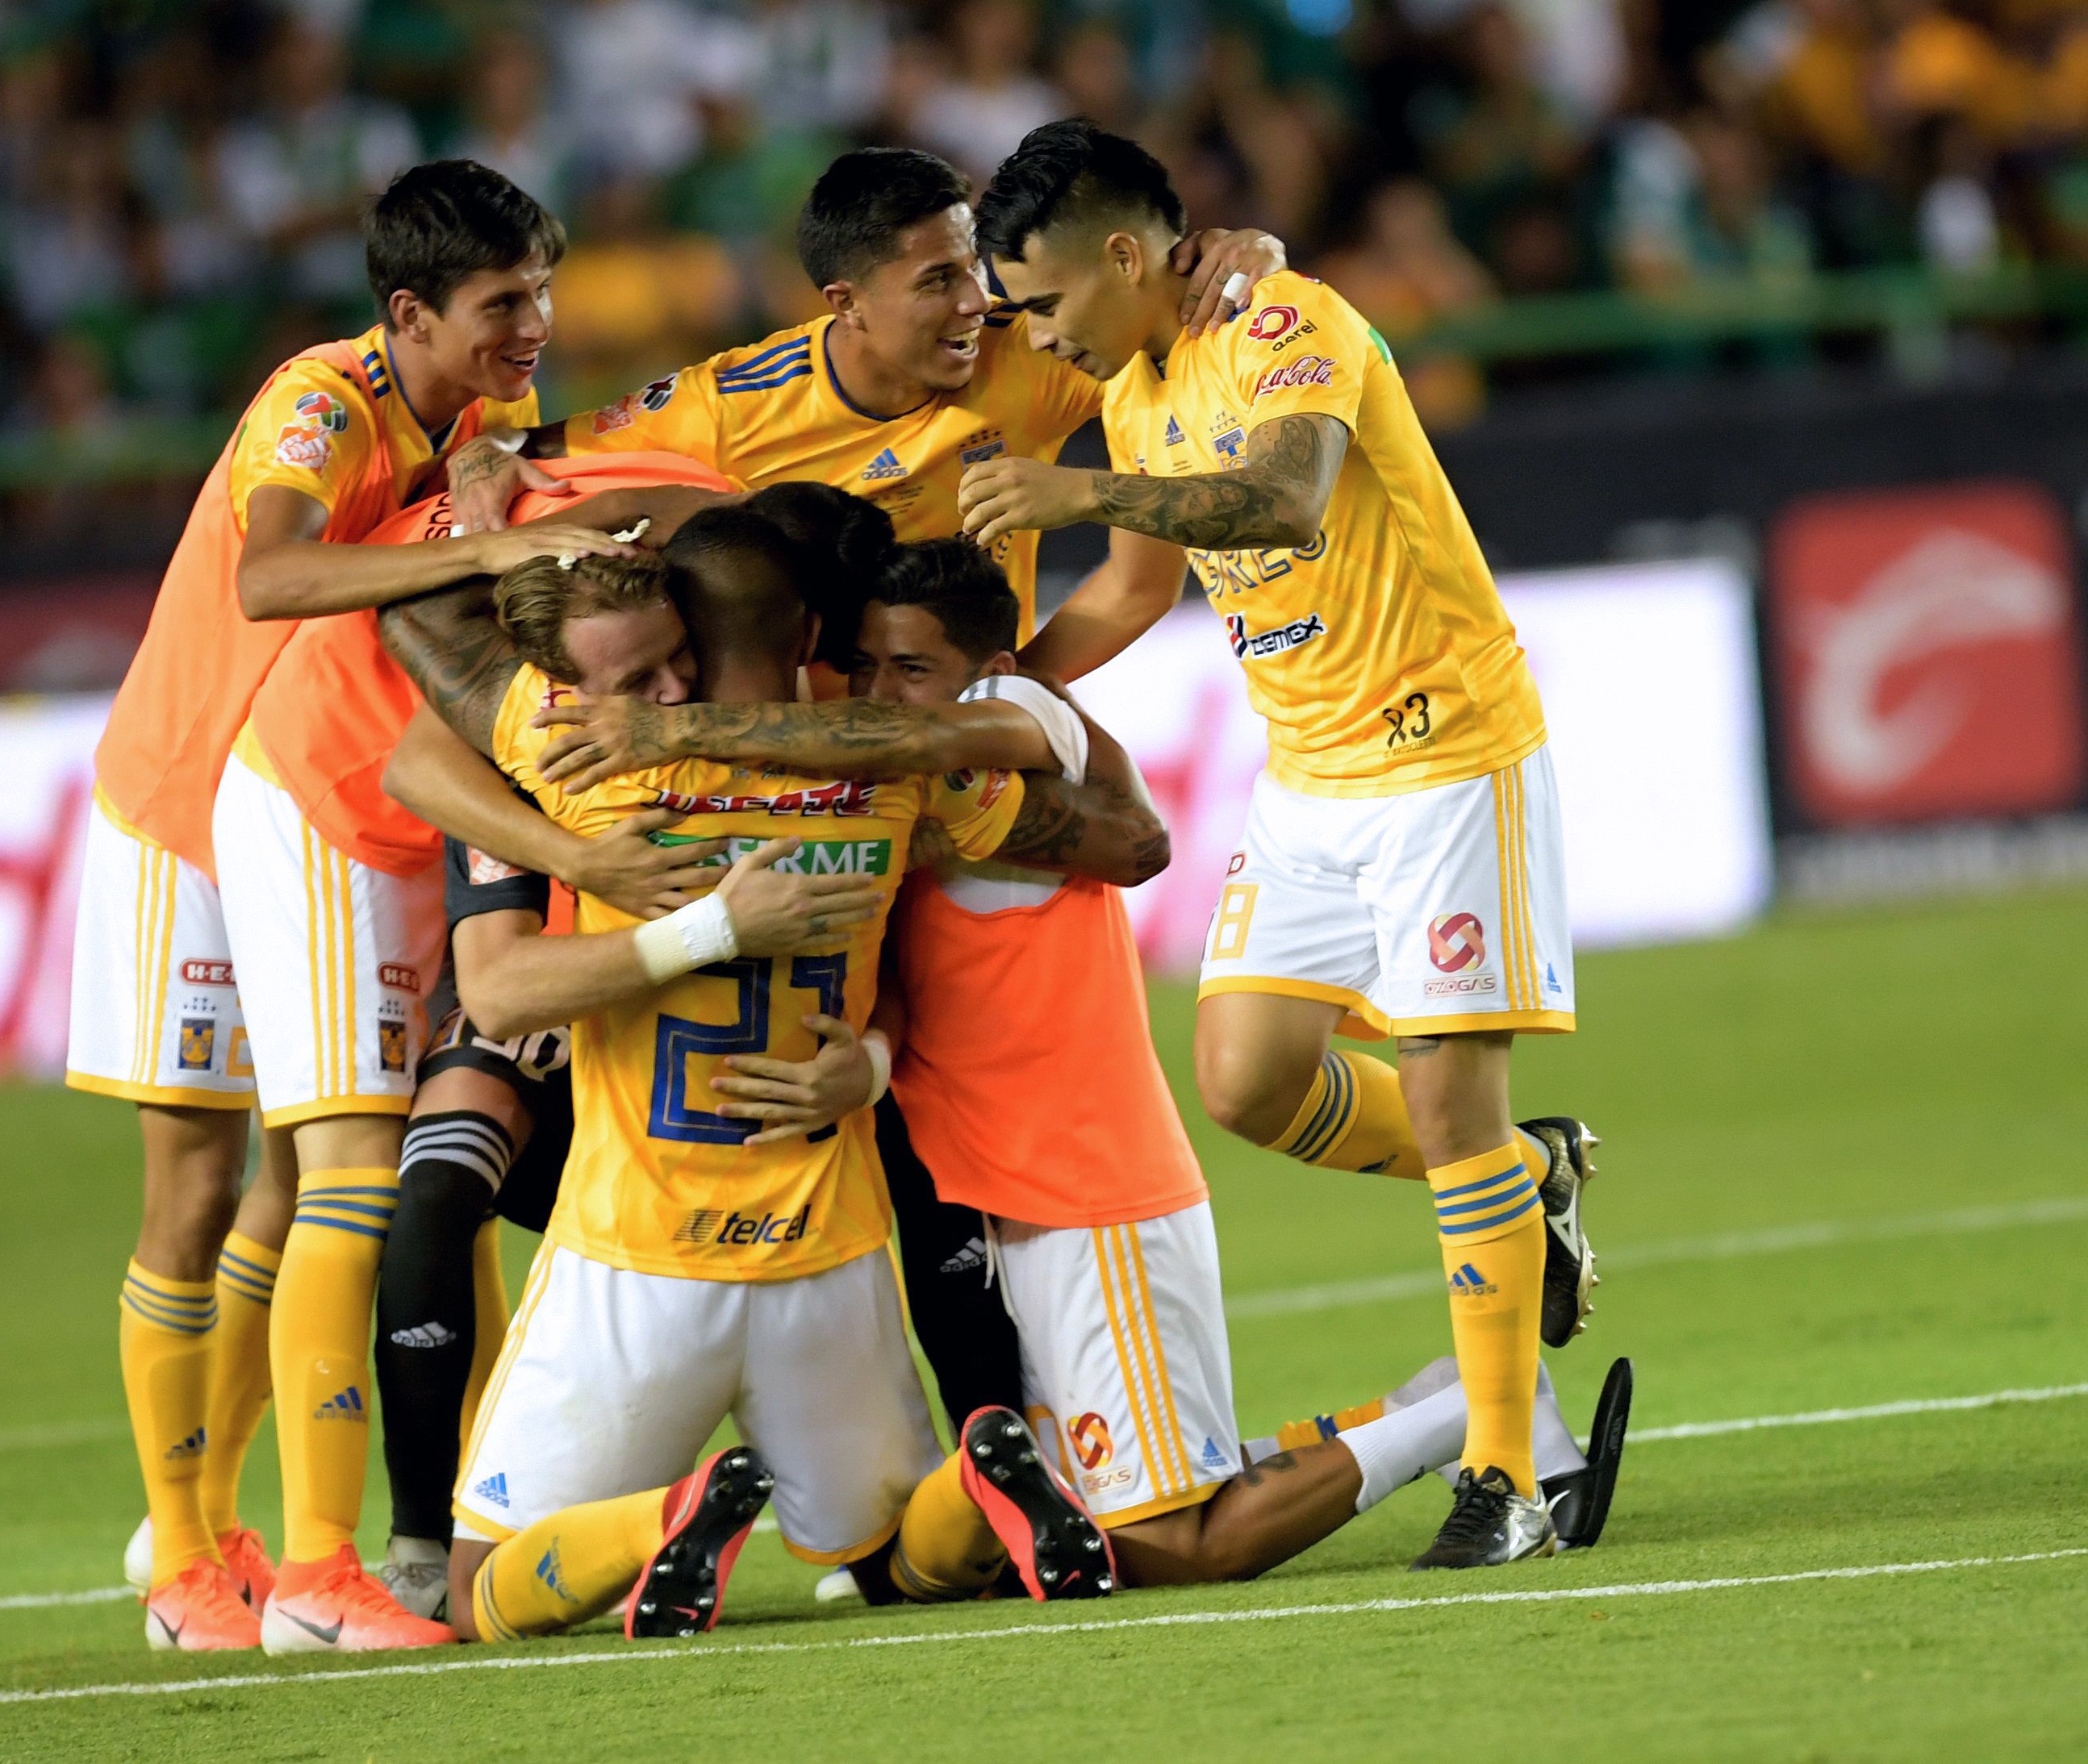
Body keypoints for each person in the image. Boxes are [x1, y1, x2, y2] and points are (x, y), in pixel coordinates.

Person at [542, 536, 1629, 1591]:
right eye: (868, 665)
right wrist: (866, 1062)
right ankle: (1452, 1398)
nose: (881, 692)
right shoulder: (899, 789)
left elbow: (1088, 815)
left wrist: (659, 731)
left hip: (1090, 1185)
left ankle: (1485, 1408)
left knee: (1173, 1543)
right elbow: (913, 986)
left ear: (994, 669)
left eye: (912, 668)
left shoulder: (1027, 720)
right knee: (1106, 1509)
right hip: (1019, 1200)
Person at [959, 120, 1603, 1569]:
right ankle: (1530, 1177)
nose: (1043, 333)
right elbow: (1135, 590)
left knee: (1449, 1107)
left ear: (1127, 254)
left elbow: (1286, 497)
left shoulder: (1289, 318)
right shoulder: (1133, 384)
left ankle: (1512, 1473)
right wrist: (1004, 696)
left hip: (1444, 750)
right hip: (1308, 775)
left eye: (1049, 299)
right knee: (1246, 1076)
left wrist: (1075, 493)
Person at [372, 513, 1170, 1641]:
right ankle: (985, 1468)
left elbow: (488, 969)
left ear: (687, 632)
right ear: (810, 630)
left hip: (638, 1251)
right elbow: (1131, 844)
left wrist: (681, 914)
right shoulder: (892, 770)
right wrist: (878, 1054)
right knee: (895, 1561)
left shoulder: (589, 761)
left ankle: (667, 1514)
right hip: (827, 1252)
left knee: (481, 1593)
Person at [65, 159, 625, 1656]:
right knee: (197, 1191)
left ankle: (255, 1522)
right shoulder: (318, 403)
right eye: (505, 303)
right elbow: (267, 579)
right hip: (182, 807)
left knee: (295, 1180)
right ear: (409, 312)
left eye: (542, 293)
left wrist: (495, 487)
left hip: (314, 805)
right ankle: (192, 1551)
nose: (537, 325)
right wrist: (489, 538)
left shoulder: (472, 417)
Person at [441, 145, 1288, 638]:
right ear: (845, 303)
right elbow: (538, 448)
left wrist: (1248, 250)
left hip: (967, 716)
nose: (972, 303)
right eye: (935, 282)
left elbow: (1172, 308)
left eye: (973, 270)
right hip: (815, 732)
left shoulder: (1031, 347)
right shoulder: (729, 404)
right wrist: (488, 451)